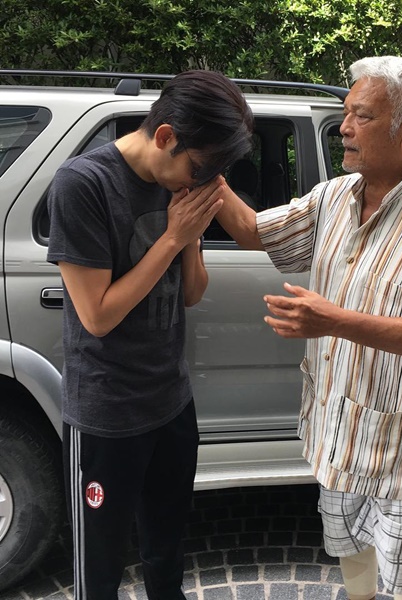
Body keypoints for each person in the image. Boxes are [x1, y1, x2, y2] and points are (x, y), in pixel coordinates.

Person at [214, 56, 402, 600]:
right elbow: (252, 230)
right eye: (346, 113)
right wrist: (204, 165)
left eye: (361, 116)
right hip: (338, 431)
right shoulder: (333, 197)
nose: (344, 128)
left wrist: (332, 320)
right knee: (349, 551)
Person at [46, 70, 253, 600]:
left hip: (171, 401)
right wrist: (173, 237)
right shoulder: (83, 184)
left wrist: (191, 239)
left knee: (167, 554)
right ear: (164, 136)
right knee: (99, 570)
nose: (201, 181)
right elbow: (97, 316)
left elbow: (192, 294)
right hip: (106, 413)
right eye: (199, 168)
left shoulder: (182, 183)